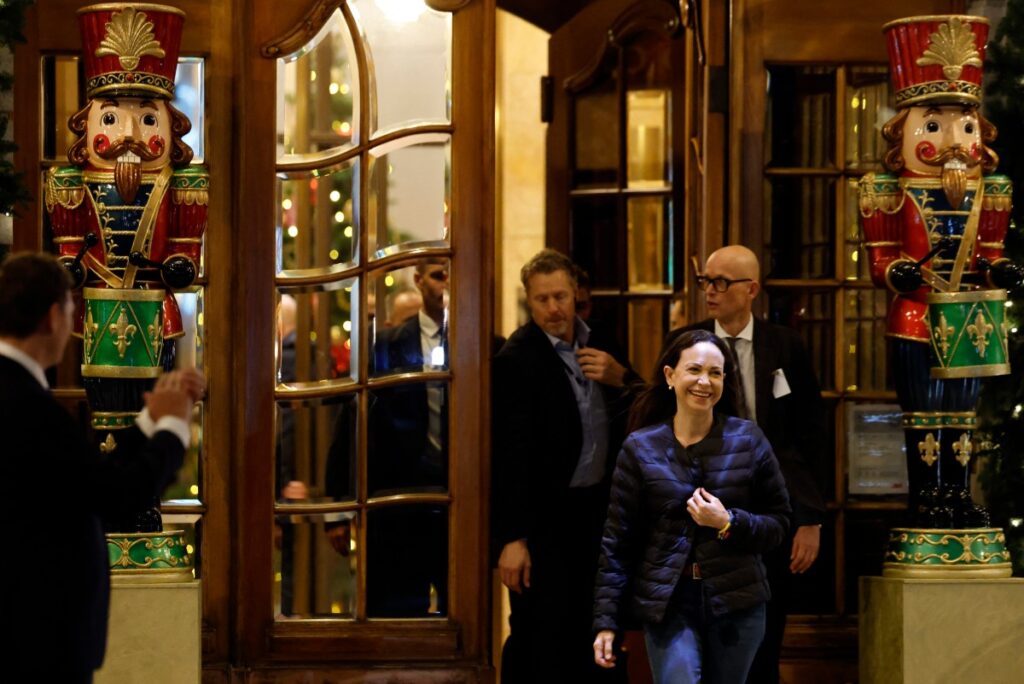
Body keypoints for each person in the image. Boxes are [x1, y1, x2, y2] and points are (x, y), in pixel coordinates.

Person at [0, 252, 203, 682]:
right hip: (36, 638)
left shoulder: (18, 394)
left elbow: (86, 480)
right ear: (53, 317)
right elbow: (118, 497)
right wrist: (173, 427)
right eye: (71, 308)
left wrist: (148, 422)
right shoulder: (30, 406)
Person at [859, 15, 1023, 530]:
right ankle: (925, 497)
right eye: (933, 126)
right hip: (915, 318)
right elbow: (881, 261)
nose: (954, 142)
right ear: (902, 132)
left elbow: (989, 254)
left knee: (962, 415)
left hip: (971, 317)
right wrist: (899, 274)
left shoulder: (992, 191)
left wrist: (1001, 270)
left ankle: (956, 494)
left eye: (966, 127)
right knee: (923, 413)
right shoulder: (885, 191)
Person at [593, 330, 791, 683]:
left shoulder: (748, 439)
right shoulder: (640, 448)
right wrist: (606, 622)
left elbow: (778, 524)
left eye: (715, 373)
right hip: (669, 602)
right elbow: (617, 543)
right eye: (695, 370)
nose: (704, 382)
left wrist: (727, 522)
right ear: (670, 375)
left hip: (738, 602)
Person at [669, 245, 828, 684]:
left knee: (764, 639)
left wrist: (811, 518)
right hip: (706, 506)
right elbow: (662, 425)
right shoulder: (687, 344)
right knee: (710, 639)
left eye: (721, 282)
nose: (710, 291)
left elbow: (811, 435)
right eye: (706, 281)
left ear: (751, 290)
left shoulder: (785, 345)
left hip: (771, 510)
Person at [493, 248, 637, 682]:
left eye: (560, 296)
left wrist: (622, 378)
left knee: (599, 631)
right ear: (529, 301)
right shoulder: (515, 358)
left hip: (599, 514)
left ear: (576, 293)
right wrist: (513, 538)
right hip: (545, 521)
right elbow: (508, 456)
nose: (554, 308)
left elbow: (646, 414)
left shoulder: (603, 342)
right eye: (543, 299)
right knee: (542, 638)